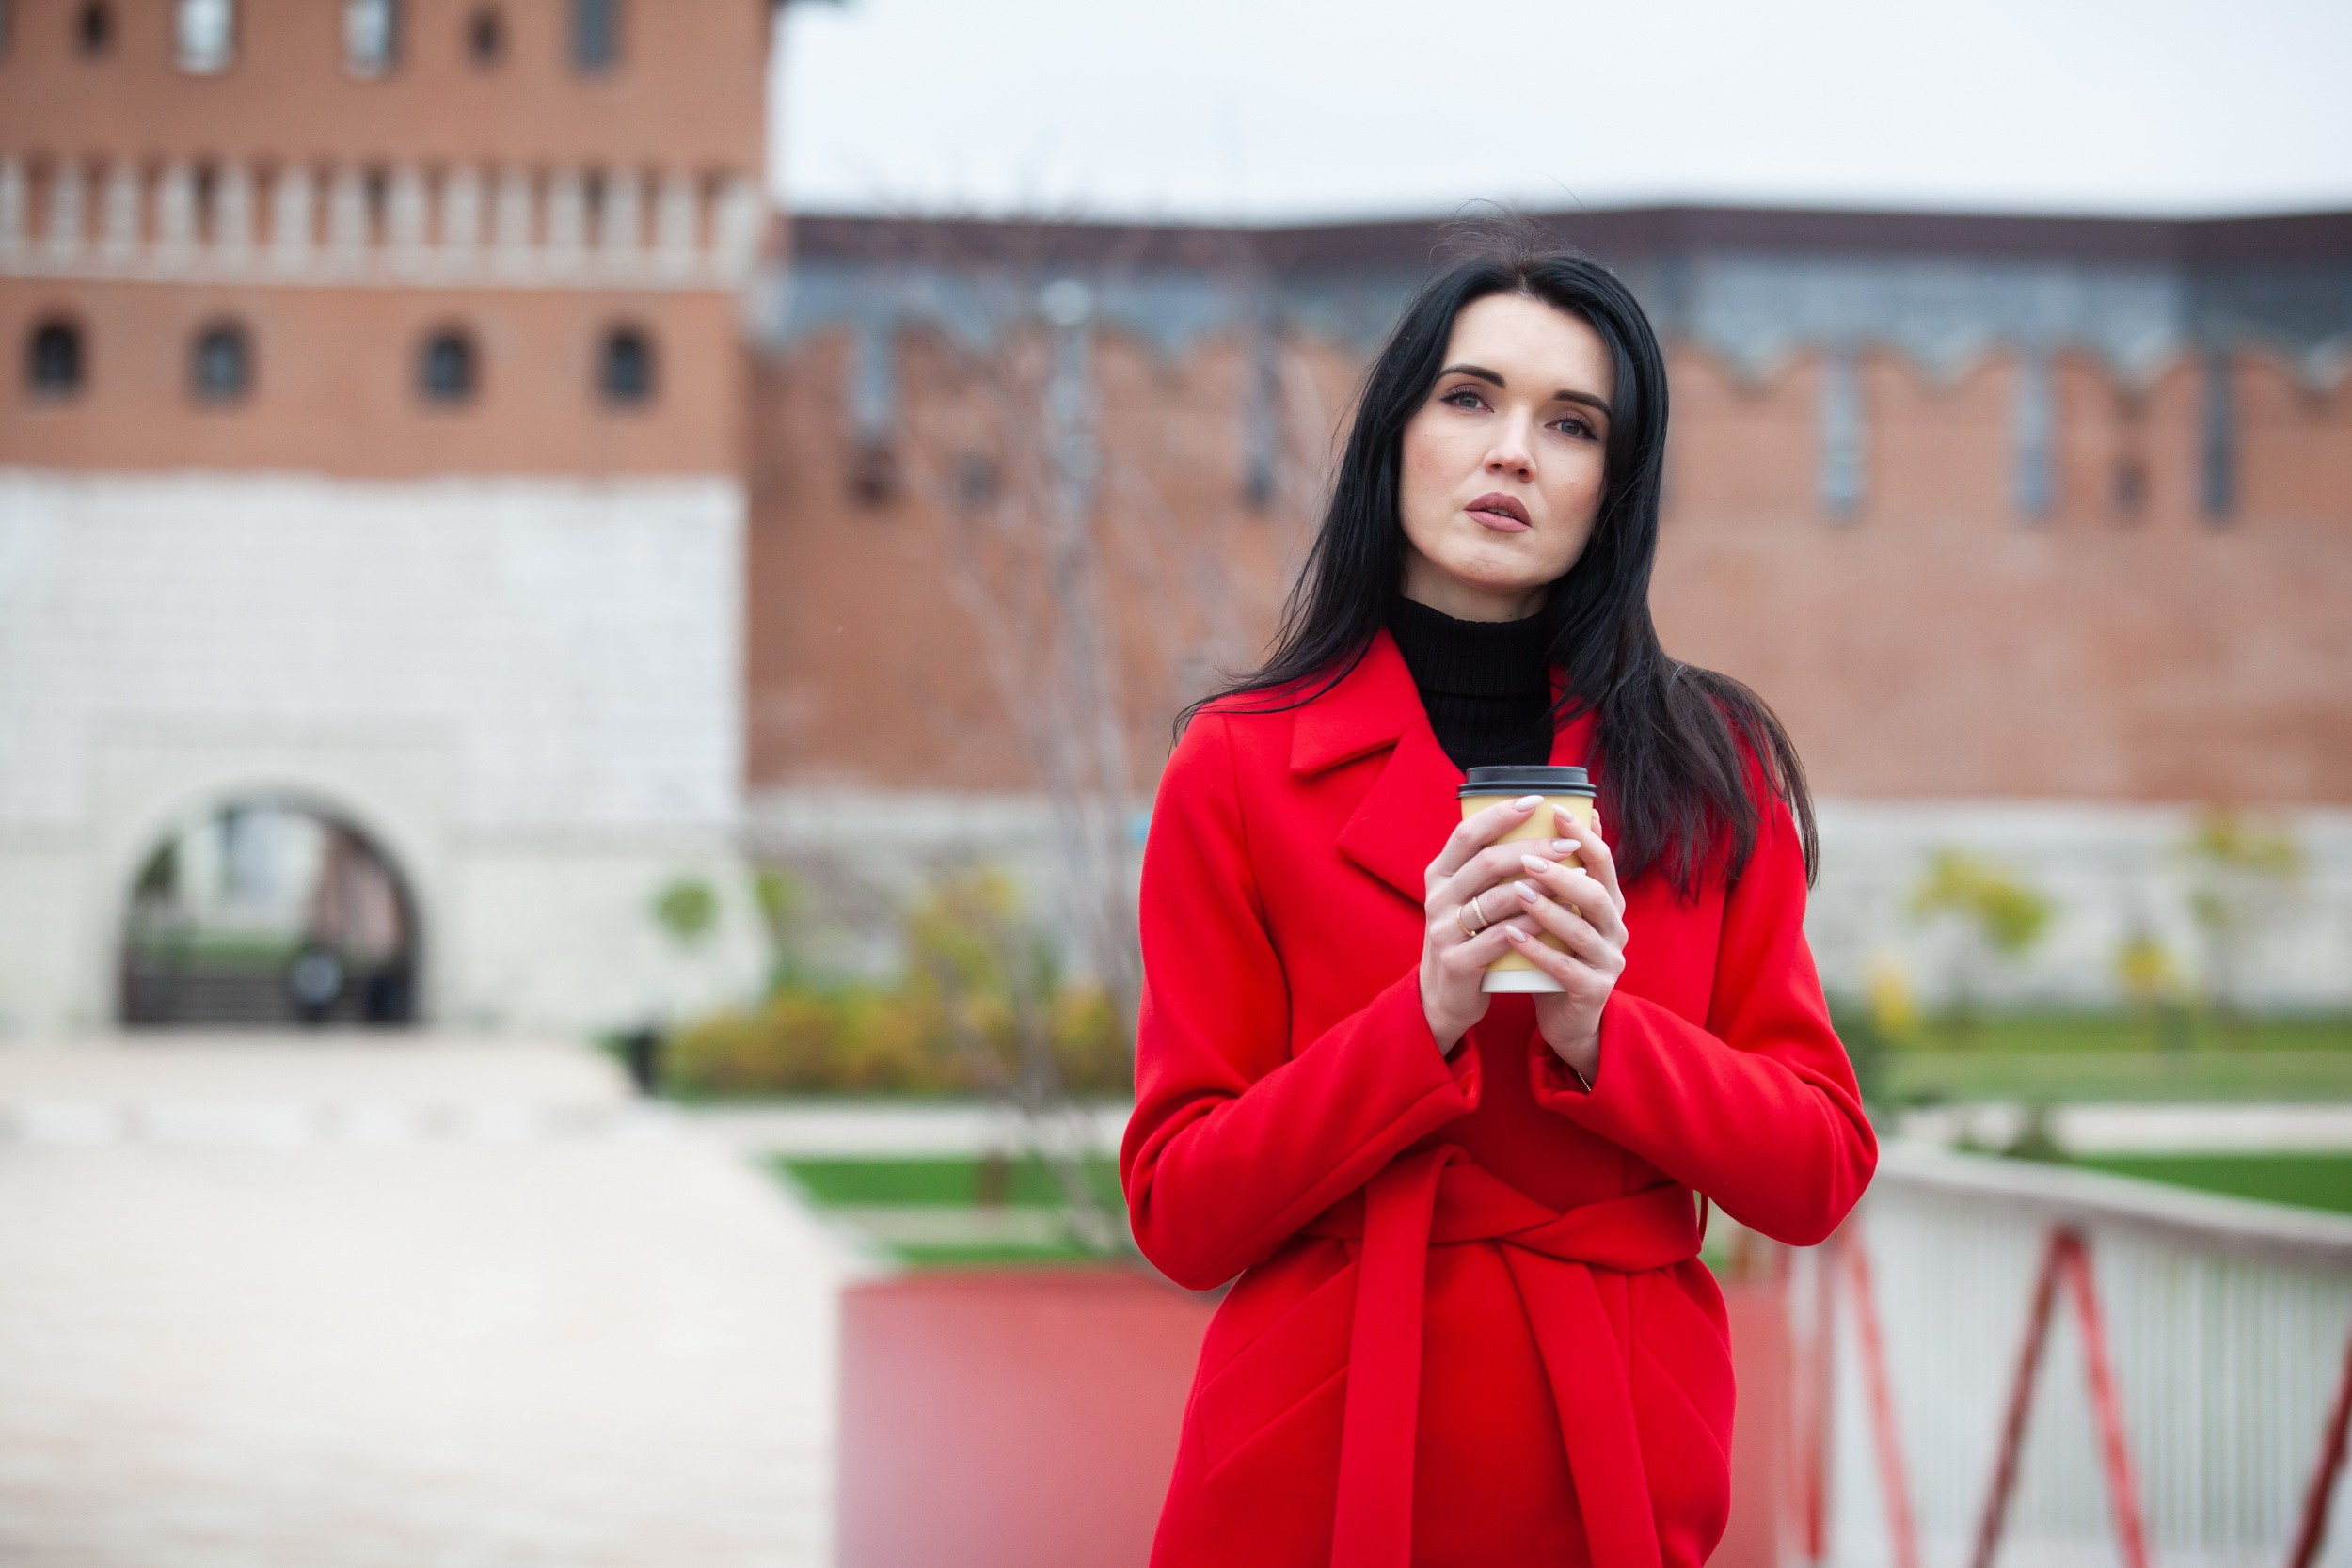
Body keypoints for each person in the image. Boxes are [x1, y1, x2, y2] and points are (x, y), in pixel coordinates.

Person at [1120, 233, 1879, 1567]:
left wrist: (1605, 1032)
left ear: (1614, 487)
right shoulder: (1237, 766)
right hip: (1318, 1453)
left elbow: (1818, 1172)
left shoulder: (1709, 765)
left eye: (1572, 424)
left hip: (1611, 1453)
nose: (1513, 452)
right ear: (1394, 436)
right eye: (1470, 398)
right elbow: (1182, 1211)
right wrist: (1420, 1020)